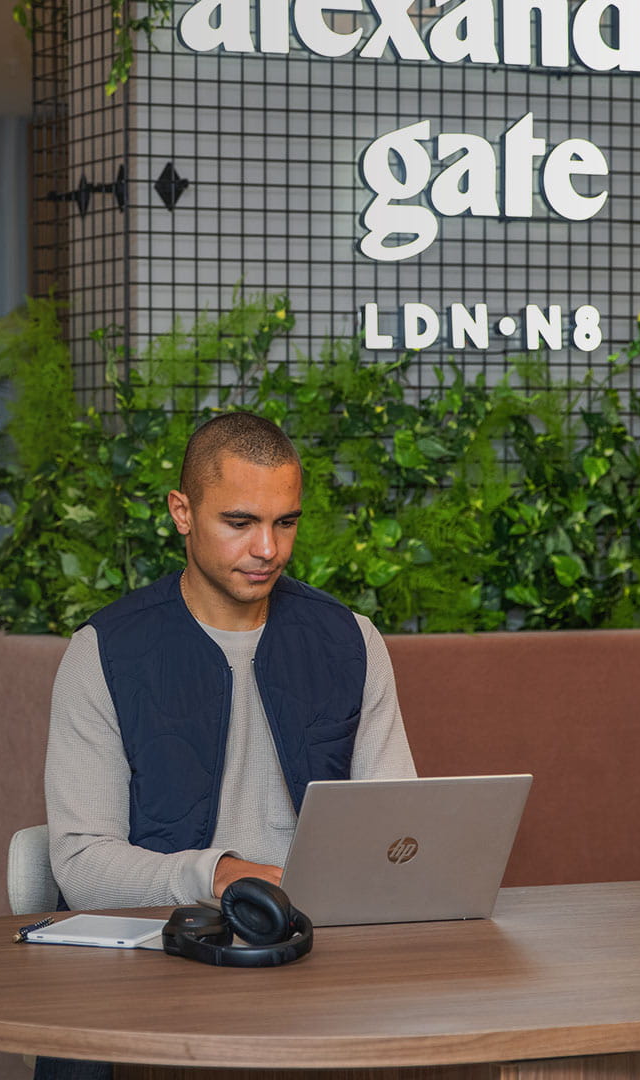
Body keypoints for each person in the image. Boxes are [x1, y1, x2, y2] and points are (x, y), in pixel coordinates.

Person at [37, 412, 417, 1078]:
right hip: (162, 961)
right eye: (239, 523)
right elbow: (80, 864)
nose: (268, 549)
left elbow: (396, 834)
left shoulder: (351, 641)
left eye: (286, 522)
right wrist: (221, 876)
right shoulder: (104, 653)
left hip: (317, 959)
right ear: (182, 512)